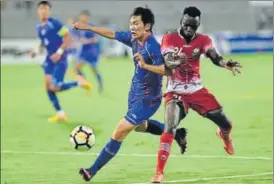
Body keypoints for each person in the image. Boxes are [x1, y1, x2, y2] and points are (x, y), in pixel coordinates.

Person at [73, 6, 187, 181]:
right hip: (134, 94)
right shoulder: (134, 39)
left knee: (119, 131)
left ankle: (91, 170)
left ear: (147, 26)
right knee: (140, 126)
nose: (132, 27)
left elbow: (168, 71)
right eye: (131, 23)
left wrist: (145, 66)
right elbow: (112, 33)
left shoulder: (153, 47)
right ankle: (176, 133)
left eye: (136, 23)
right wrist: (88, 27)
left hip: (148, 99)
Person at [150, 6, 242, 183]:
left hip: (196, 90)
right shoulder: (170, 38)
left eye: (194, 26)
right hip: (175, 91)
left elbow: (214, 56)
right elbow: (168, 60)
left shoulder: (203, 40)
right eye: (187, 25)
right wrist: (177, 61)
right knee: (170, 126)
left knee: (226, 124)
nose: (189, 29)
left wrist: (225, 63)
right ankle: (159, 173)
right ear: (181, 22)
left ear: (198, 25)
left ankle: (224, 135)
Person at [29, 1, 92, 122]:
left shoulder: (55, 23)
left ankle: (79, 82)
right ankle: (60, 113)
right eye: (42, 9)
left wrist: (59, 52)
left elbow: (68, 37)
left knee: (55, 87)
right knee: (48, 86)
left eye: (46, 9)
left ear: (49, 11)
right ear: (38, 11)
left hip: (60, 58)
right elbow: (43, 42)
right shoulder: (39, 26)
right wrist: (36, 51)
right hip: (49, 59)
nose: (44, 11)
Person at [74, 10, 103, 93]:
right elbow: (78, 37)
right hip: (83, 51)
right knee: (76, 68)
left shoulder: (91, 26)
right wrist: (79, 40)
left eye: (84, 16)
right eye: (81, 16)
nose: (82, 18)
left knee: (94, 69)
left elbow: (96, 38)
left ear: (87, 17)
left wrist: (87, 41)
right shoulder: (79, 26)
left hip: (90, 52)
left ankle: (100, 84)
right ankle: (85, 83)